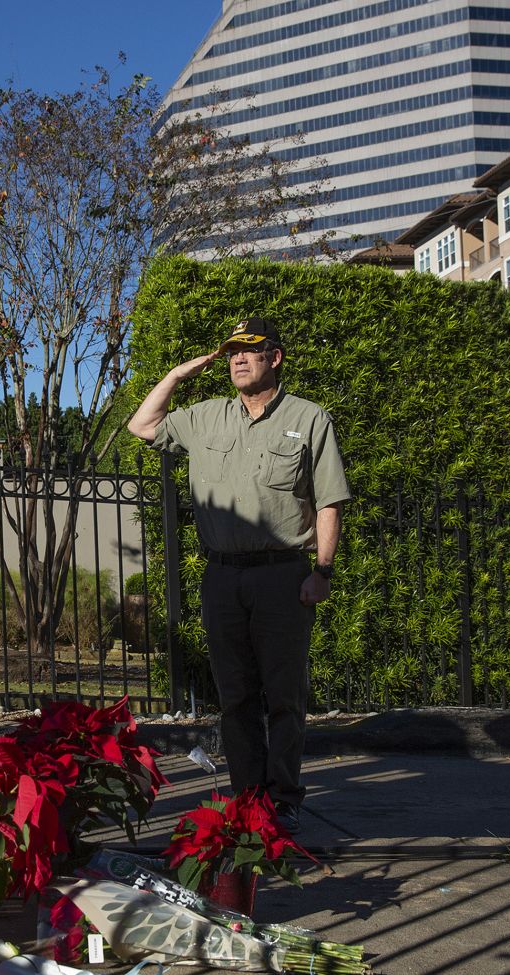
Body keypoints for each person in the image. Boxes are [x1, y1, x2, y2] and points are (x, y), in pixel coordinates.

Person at [126, 317, 350, 833]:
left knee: (285, 696)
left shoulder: (308, 418)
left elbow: (329, 502)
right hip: (223, 577)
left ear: (276, 356)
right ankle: (249, 799)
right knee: (236, 698)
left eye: (250, 351)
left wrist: (322, 571)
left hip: (283, 575)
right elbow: (142, 426)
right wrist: (178, 375)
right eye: (231, 353)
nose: (237, 360)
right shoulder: (204, 418)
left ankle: (285, 797)